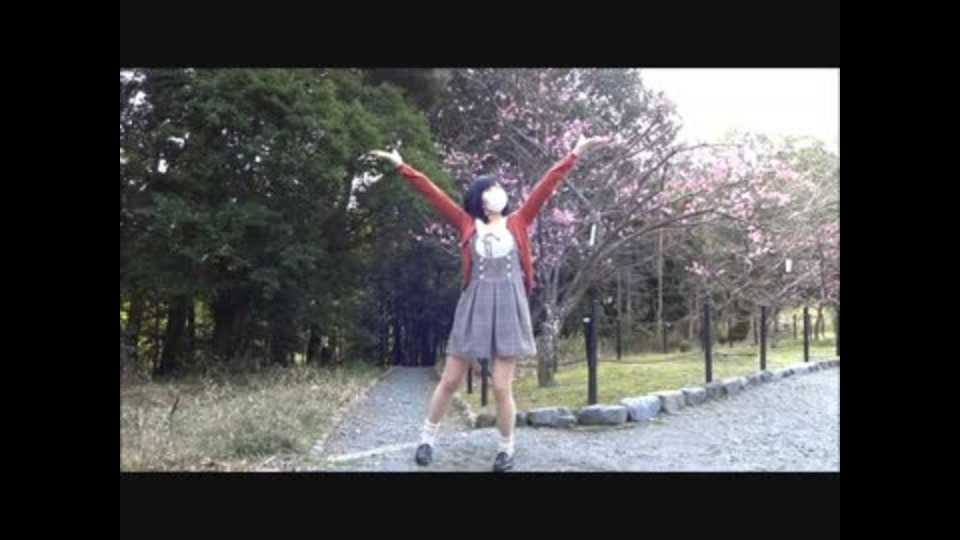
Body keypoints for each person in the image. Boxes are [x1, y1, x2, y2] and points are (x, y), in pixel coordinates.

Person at [369, 134, 612, 471]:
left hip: (509, 305)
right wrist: (402, 166)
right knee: (451, 379)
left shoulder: (519, 221)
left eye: (499, 186)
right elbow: (432, 193)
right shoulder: (467, 223)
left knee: (500, 385)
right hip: (474, 304)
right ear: (479, 197)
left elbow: (548, 183)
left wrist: (575, 153)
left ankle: (505, 449)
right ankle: (426, 438)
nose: (498, 191)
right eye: (491, 187)